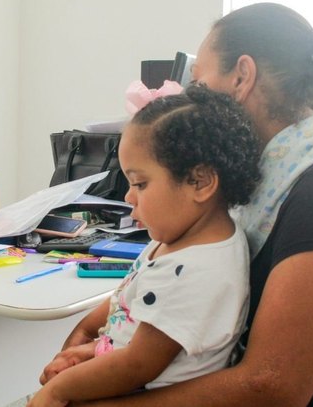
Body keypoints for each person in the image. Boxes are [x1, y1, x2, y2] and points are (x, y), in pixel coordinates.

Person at [42, 3, 313, 406]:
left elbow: (271, 391)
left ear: (242, 77)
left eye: (199, 84)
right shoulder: (284, 173)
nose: (194, 99)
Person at [28, 85, 262, 406]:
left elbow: (138, 365)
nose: (128, 197)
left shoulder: (199, 269)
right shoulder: (177, 240)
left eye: (140, 183)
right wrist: (90, 347)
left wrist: (59, 390)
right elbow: (127, 308)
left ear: (201, 182)